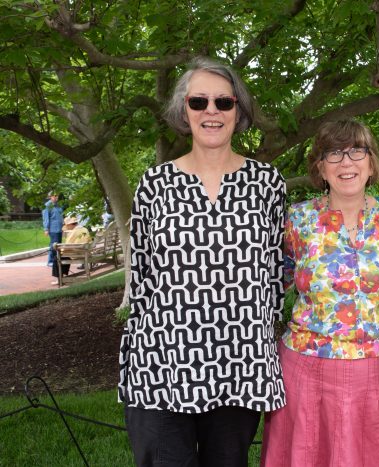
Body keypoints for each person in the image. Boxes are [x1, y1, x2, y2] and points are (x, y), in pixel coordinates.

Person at [118, 57, 287, 466]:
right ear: (184, 111)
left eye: (223, 102)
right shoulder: (154, 185)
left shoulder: (267, 184)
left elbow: (276, 274)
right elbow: (141, 276)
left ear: (238, 111)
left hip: (239, 365)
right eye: (198, 102)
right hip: (161, 366)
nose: (211, 111)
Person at [261, 120, 379, 467]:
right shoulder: (298, 219)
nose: (346, 162)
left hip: (377, 371)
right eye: (333, 153)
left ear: (371, 162)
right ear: (320, 166)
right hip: (307, 370)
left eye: (357, 150)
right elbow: (273, 285)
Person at [50, 216, 91, 285]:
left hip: (77, 254)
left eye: (67, 225)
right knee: (64, 255)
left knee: (57, 258)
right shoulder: (84, 229)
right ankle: (63, 276)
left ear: (71, 224)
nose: (67, 227)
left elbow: (67, 244)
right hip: (84, 252)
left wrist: (59, 249)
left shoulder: (74, 232)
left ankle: (59, 279)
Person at [42, 192, 64, 267]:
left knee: (59, 245)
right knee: (53, 245)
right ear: (50, 197)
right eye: (54, 196)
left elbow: (61, 217)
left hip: (59, 229)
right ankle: (50, 261)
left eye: (57, 196)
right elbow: (46, 218)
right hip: (53, 229)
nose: (56, 197)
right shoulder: (48, 206)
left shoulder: (58, 206)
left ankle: (57, 260)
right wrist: (46, 229)